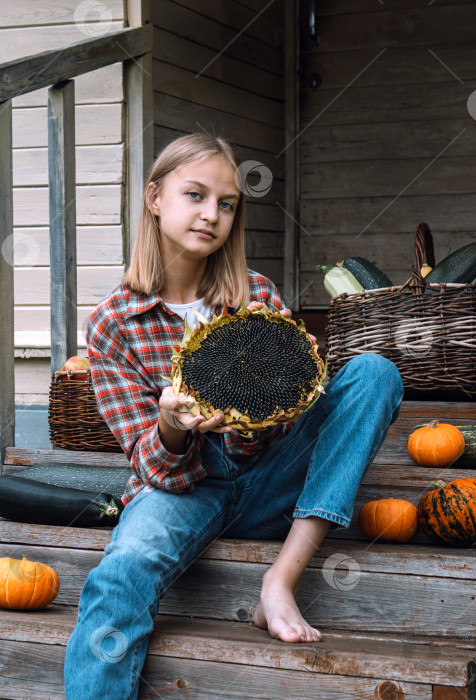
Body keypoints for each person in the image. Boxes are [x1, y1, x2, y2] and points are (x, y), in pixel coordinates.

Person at [64, 132, 403, 698]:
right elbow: (156, 471)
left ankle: (281, 581)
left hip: (271, 484)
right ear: (154, 198)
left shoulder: (258, 298)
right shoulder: (113, 323)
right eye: (194, 195)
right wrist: (172, 424)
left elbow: (289, 428)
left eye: (225, 204)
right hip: (180, 494)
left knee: (374, 372)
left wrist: (272, 404)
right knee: (118, 575)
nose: (211, 215)